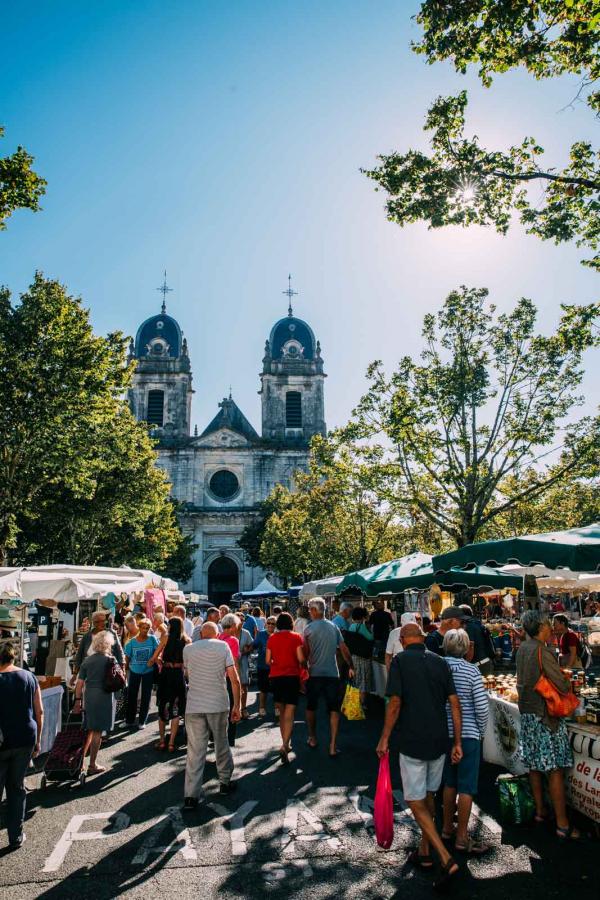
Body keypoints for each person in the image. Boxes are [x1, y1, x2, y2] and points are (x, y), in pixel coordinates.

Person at [376, 624, 462, 889]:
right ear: (423, 639)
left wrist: (385, 737)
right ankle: (424, 852)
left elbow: (395, 703)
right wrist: (457, 741)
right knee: (428, 797)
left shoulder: (400, 661)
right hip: (439, 739)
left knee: (414, 800)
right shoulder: (439, 662)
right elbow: (454, 703)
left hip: (412, 739)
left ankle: (445, 858)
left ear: (402, 640)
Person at [516, 610, 579, 840]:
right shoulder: (543, 650)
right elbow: (561, 685)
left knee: (534, 765)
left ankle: (541, 811)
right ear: (541, 626)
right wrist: (566, 679)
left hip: (528, 713)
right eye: (548, 625)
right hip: (545, 715)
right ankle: (563, 824)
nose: (551, 628)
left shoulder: (523, 648)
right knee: (554, 770)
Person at [440, 629, 490, 854]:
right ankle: (461, 837)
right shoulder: (471, 671)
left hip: (444, 732)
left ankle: (446, 828)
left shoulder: (438, 667)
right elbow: (481, 706)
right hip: (468, 734)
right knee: (467, 786)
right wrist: (480, 730)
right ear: (466, 648)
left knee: (449, 782)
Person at [182, 621, 241, 809]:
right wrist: (237, 705)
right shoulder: (223, 646)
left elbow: (188, 675)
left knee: (195, 750)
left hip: (194, 705)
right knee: (221, 743)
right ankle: (224, 782)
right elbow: (234, 678)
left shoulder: (188, 650)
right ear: (216, 635)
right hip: (218, 703)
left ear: (200, 635)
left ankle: (191, 795)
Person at [0, 641, 44, 850]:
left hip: (2, 741)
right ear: (13, 657)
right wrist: (38, 740)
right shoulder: (28, 677)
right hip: (25, 737)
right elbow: (39, 710)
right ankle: (15, 836)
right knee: (16, 788)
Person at [303, 598, 354, 757]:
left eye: (310, 609)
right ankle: (332, 745)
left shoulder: (308, 629)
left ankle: (312, 737)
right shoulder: (334, 627)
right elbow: (344, 649)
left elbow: (305, 654)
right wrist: (351, 665)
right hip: (333, 674)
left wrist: (303, 669)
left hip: (314, 674)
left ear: (313, 610)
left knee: (311, 706)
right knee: (334, 709)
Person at [73, 631, 119, 775]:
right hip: (105, 695)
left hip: (89, 696)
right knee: (98, 731)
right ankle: (92, 764)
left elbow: (79, 684)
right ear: (108, 644)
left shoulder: (87, 661)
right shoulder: (111, 660)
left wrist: (77, 701)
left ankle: (79, 763)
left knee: (88, 729)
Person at [266, 612, 306, 763]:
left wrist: (277, 662)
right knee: (290, 712)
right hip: (291, 677)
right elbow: (301, 659)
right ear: (291, 623)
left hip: (276, 677)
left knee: (281, 713)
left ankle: (285, 743)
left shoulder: (272, 638)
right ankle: (284, 745)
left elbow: (267, 660)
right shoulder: (296, 637)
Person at [153, 617, 190, 751]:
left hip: (166, 673)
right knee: (176, 708)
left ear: (170, 626)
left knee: (163, 705)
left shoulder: (165, 638)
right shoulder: (186, 641)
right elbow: (188, 662)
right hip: (178, 675)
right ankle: (171, 743)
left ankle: (162, 740)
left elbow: (155, 656)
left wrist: (157, 661)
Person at [123, 618, 159, 729]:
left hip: (148, 671)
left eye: (147, 628)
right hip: (134, 671)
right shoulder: (132, 642)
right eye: (143, 628)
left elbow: (158, 651)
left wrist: (153, 659)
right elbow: (127, 658)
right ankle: (129, 720)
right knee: (132, 695)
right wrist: (124, 671)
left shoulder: (152, 639)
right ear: (139, 627)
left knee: (146, 696)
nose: (145, 630)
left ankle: (142, 721)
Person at [72, 611, 124, 680]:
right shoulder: (87, 636)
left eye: (103, 621)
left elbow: (120, 653)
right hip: (90, 671)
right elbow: (79, 656)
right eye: (98, 621)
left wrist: (122, 670)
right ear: (93, 623)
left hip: (108, 671)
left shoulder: (112, 634)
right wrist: (75, 674)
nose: (102, 623)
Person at [219, 614, 241, 745]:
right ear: (233, 626)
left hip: (218, 677)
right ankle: (230, 739)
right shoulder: (233, 640)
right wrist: (238, 680)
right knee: (232, 706)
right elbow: (235, 661)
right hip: (229, 677)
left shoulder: (218, 637)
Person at [346, 607, 374, 707]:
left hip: (354, 657)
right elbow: (371, 638)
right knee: (363, 681)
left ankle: (354, 703)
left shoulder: (351, 626)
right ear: (362, 616)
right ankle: (362, 704)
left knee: (356, 680)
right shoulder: (361, 627)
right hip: (363, 657)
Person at [458, 604, 495, 675]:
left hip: (479, 665)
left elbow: (470, 646)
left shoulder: (469, 626)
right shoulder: (477, 623)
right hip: (485, 662)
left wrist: (465, 665)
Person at [254, 616, 276, 716]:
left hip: (276, 667)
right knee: (263, 689)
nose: (270, 625)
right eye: (269, 623)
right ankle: (262, 708)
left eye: (273, 623)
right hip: (262, 665)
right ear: (266, 624)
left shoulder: (278, 635)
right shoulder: (261, 634)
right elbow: (254, 645)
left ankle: (277, 709)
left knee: (277, 689)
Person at [237, 613, 253, 719]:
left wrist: (247, 650)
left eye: (243, 620)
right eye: (239, 620)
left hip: (242, 662)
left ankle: (243, 708)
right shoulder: (229, 632)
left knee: (244, 685)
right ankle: (235, 708)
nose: (241, 622)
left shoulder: (246, 633)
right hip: (230, 663)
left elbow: (251, 645)